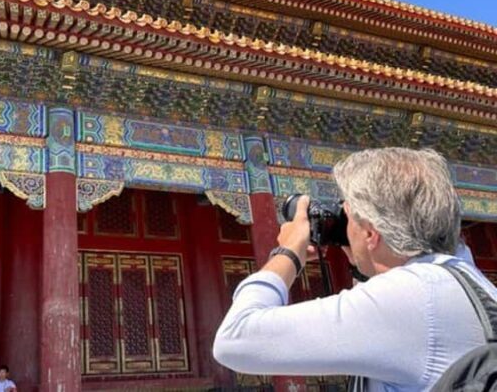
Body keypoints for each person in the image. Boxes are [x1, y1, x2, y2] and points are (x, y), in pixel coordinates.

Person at [213, 147, 497, 391]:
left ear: (371, 233)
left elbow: (235, 339)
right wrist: (365, 266)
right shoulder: (465, 279)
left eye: (347, 216)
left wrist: (288, 252)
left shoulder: (410, 298)